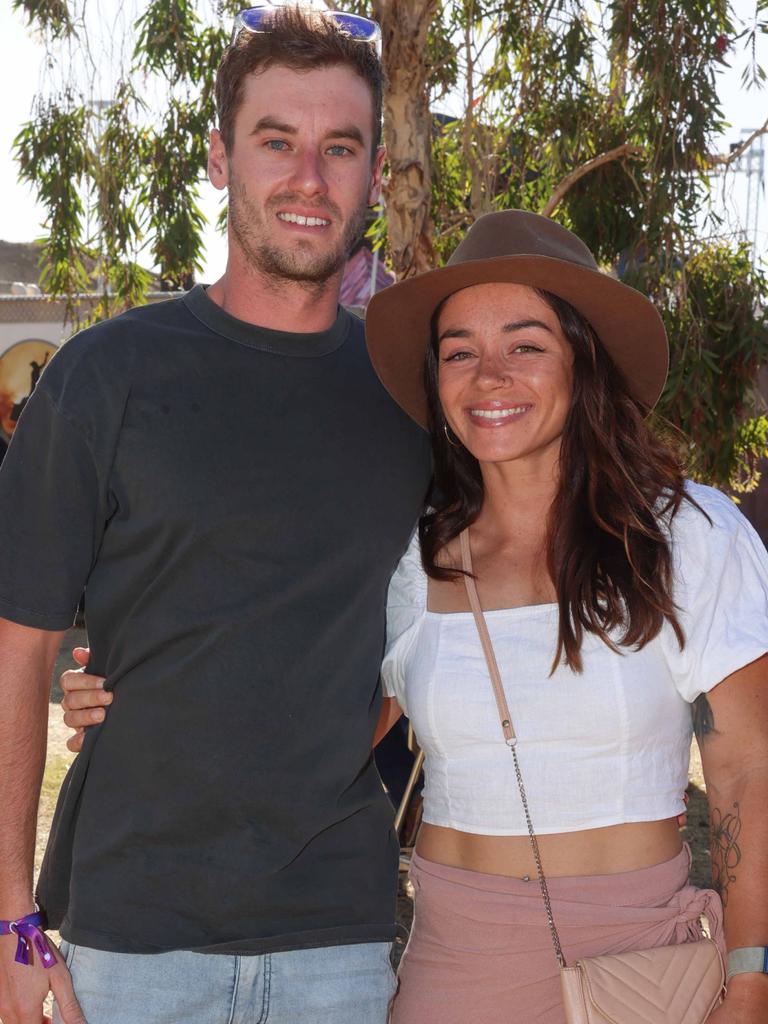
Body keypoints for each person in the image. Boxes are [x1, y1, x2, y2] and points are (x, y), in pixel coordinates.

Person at [65, 212, 768, 1023]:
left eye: (526, 345)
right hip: (453, 961)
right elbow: (306, 726)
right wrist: (136, 695)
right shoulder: (410, 555)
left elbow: (748, 773)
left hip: (639, 963)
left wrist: (751, 980)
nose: (489, 375)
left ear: (586, 363)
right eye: (460, 352)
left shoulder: (686, 535)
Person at [0, 7, 431, 1024]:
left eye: (341, 148)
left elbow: (453, 615)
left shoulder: (410, 398)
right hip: (129, 940)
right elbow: (17, 655)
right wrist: (10, 918)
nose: (308, 179)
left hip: (339, 937)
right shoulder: (105, 378)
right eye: (276, 142)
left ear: (374, 172)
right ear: (219, 158)